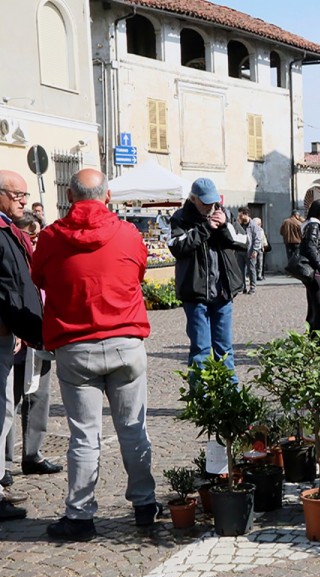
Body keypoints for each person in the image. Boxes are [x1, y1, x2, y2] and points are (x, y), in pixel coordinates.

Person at [31, 168, 159, 541]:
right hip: (125, 341)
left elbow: (41, 279)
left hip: (76, 346)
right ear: (107, 197)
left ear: (69, 197)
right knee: (134, 429)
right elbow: (138, 272)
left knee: (85, 436)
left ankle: (80, 515)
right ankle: (145, 504)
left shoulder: (52, 238)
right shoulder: (128, 233)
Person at [168, 178, 247, 377]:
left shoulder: (225, 213)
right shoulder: (180, 218)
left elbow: (243, 241)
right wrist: (204, 229)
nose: (210, 206)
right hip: (195, 294)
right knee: (200, 350)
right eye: (205, 202)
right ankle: (200, 399)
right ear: (193, 199)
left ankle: (230, 398)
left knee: (225, 349)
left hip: (223, 292)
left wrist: (224, 226)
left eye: (212, 201)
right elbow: (177, 246)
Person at [5, 211, 61, 477]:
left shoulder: (43, 259)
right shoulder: (14, 258)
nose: (35, 241)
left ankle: (33, 455)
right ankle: (4, 462)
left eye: (38, 236)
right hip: (16, 338)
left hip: (40, 337)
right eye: (31, 235)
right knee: (10, 401)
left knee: (39, 397)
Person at [0, 170, 42, 520]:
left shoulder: (9, 229)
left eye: (26, 196)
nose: (24, 202)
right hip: (3, 329)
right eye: (18, 195)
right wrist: (15, 325)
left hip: (9, 330)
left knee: (5, 406)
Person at [300, 200, 320, 333]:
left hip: (316, 272)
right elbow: (311, 249)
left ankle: (311, 339)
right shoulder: (313, 226)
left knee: (313, 307)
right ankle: (317, 341)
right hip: (315, 272)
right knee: (319, 308)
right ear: (317, 211)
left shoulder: (314, 226)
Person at [237, 207, 261, 294]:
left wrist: (255, 250)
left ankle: (252, 287)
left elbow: (257, 238)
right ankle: (242, 287)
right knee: (240, 270)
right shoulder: (239, 224)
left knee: (251, 270)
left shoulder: (253, 225)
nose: (239, 216)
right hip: (240, 251)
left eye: (241, 215)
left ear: (246, 214)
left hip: (250, 251)